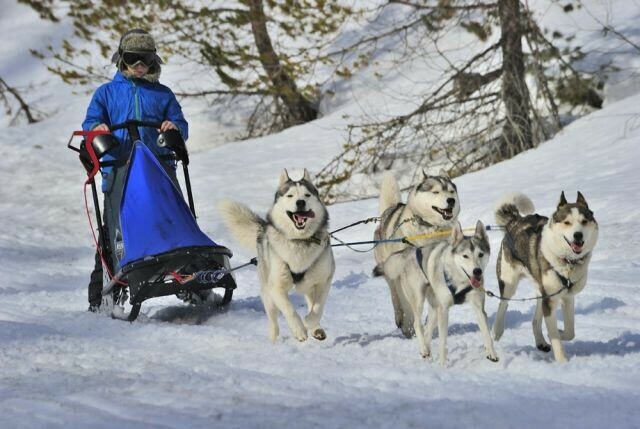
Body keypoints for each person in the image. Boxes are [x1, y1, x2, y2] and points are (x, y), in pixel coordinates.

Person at [82, 28, 189, 312]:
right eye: (133, 59)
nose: (139, 66)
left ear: (154, 61)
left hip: (159, 169)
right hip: (120, 168)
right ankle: (107, 292)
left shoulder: (162, 94)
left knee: (174, 218)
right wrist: (96, 129)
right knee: (116, 229)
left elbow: (181, 124)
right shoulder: (107, 93)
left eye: (145, 60)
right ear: (122, 60)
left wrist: (174, 127)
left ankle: (188, 277)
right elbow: (91, 121)